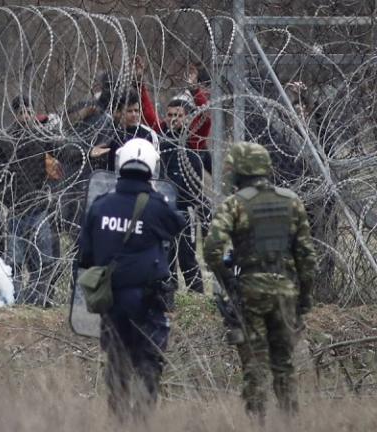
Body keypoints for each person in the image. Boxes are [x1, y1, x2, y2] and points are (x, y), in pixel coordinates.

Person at [203, 141, 317, 419]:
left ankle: (257, 422)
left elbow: (211, 250)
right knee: (284, 362)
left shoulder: (234, 205)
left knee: (255, 362)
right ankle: (290, 421)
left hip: (250, 290)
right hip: (285, 289)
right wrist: (304, 298)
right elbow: (307, 256)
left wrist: (229, 282)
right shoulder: (291, 201)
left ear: (240, 171)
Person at [77, 138, 185, 421]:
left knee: (117, 360)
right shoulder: (155, 205)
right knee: (149, 360)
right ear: (152, 167)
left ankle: (119, 419)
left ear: (119, 163)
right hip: (148, 301)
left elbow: (85, 256)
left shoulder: (100, 206)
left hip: (111, 301)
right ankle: (143, 419)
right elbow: (177, 225)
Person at [0, 95, 63, 305]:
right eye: (21, 113)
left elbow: (66, 151)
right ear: (15, 115)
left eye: (28, 112)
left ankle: (37, 299)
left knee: (43, 262)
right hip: (14, 211)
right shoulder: (4, 141)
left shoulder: (43, 138)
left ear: (33, 112)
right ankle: (13, 299)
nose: (25, 116)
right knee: (13, 264)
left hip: (39, 210)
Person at [146, 98, 207, 294]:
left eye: (179, 116)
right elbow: (148, 114)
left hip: (186, 206)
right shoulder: (160, 139)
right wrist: (140, 85)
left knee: (187, 253)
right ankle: (168, 292)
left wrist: (197, 90)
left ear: (187, 118)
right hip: (166, 207)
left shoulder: (193, 139)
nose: (174, 120)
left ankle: (196, 292)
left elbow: (206, 117)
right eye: (170, 115)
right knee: (167, 252)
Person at [90, 90, 159, 172]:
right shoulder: (107, 132)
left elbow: (156, 162)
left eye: (136, 110)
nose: (134, 114)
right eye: (129, 111)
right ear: (117, 112)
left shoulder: (148, 134)